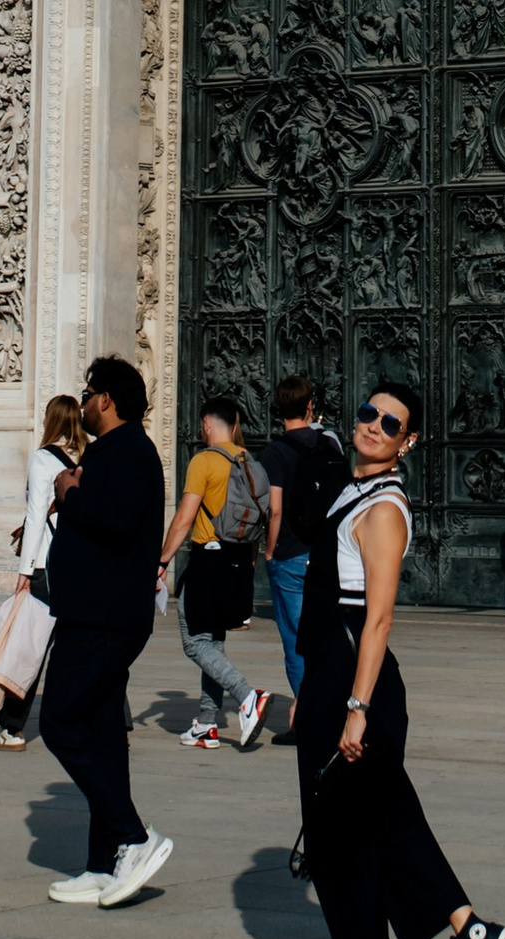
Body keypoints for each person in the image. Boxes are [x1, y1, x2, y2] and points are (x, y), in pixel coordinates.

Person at [289, 383, 505, 939]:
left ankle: (468, 931)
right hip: (334, 673)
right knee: (350, 823)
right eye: (368, 414)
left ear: (406, 442)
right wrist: (311, 688)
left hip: (360, 677)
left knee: (378, 818)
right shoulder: (351, 490)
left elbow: (379, 618)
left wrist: (356, 706)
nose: (373, 427)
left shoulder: (383, 508)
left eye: (390, 424)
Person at [35, 355, 172, 910]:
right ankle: (103, 861)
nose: (84, 401)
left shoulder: (131, 453)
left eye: (88, 392)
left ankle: (135, 835)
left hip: (104, 617)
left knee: (61, 721)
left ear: (106, 400)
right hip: (94, 611)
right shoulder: (113, 452)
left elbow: (113, 521)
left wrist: (70, 494)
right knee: (101, 733)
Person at [154, 389, 273, 751]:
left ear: (207, 423)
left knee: (195, 643)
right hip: (238, 559)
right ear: (235, 424)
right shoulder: (252, 462)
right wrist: (249, 565)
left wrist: (161, 562)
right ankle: (207, 723)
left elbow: (184, 517)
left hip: (208, 558)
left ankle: (247, 695)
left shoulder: (204, 461)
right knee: (214, 643)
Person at [0, 391, 83, 752]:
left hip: (49, 564)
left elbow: (36, 515)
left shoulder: (43, 459)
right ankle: (115, 720)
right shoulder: (88, 456)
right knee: (84, 643)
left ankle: (12, 728)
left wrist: (25, 570)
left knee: (31, 648)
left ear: (51, 420)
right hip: (82, 565)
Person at [257, 375, 347, 699]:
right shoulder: (330, 444)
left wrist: (268, 552)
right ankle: (334, 708)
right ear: (310, 407)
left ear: (278, 409)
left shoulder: (275, 451)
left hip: (291, 554)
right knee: (328, 636)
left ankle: (310, 718)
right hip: (326, 553)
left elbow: (275, 510)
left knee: (297, 642)